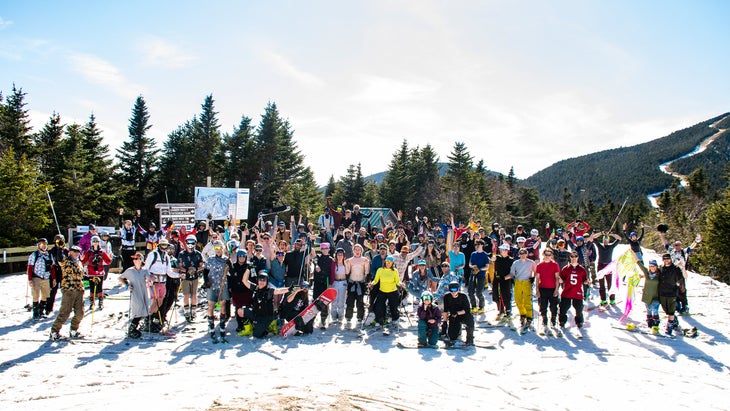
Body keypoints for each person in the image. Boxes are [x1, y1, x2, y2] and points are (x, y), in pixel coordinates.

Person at [659, 231, 701, 315]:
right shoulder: (671, 251)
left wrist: (696, 241)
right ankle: (676, 304)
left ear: (681, 246)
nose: (677, 246)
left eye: (678, 245)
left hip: (681, 272)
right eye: (675, 245)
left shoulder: (684, 251)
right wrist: (662, 235)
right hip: (672, 272)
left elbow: (691, 247)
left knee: (682, 289)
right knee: (674, 289)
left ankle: (685, 306)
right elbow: (665, 244)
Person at [50, 246, 86, 340]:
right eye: (74, 251)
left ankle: (73, 330)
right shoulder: (66, 261)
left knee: (80, 313)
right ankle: (54, 331)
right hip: (68, 290)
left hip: (79, 290)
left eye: (78, 251)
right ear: (70, 252)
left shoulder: (79, 262)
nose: (76, 253)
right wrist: (60, 248)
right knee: (65, 312)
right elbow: (59, 259)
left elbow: (81, 275)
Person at [242, 271, 288, 338]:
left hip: (265, 317)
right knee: (240, 311)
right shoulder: (255, 288)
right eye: (260, 280)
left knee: (256, 335)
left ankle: (268, 326)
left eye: (264, 280)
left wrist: (289, 289)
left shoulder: (269, 291)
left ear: (267, 282)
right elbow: (244, 281)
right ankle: (250, 328)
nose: (262, 282)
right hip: (256, 313)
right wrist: (248, 269)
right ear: (257, 280)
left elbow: (279, 291)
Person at [119, 252, 152, 339]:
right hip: (135, 291)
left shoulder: (144, 270)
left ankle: (137, 326)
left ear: (141, 260)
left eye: (137, 259)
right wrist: (127, 285)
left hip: (143, 290)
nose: (135, 261)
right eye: (134, 259)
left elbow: (148, 278)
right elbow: (121, 278)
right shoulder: (130, 270)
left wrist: (149, 281)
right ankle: (132, 328)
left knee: (144, 308)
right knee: (138, 307)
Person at [558, 252, 589, 334]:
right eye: (572, 256)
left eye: (575, 256)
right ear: (570, 257)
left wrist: (587, 282)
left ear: (578, 257)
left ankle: (579, 322)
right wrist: (559, 279)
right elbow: (562, 279)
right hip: (567, 291)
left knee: (579, 309)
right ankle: (562, 321)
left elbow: (584, 280)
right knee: (563, 308)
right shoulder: (566, 268)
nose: (574, 258)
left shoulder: (581, 269)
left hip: (577, 292)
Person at [204, 240, 230, 339]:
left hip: (222, 285)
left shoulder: (226, 259)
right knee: (211, 305)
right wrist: (206, 281)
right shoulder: (210, 259)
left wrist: (229, 263)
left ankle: (222, 325)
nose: (218, 250)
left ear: (222, 248)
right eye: (216, 248)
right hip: (212, 285)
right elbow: (205, 272)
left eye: (219, 248)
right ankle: (211, 326)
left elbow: (230, 270)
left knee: (222, 305)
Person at [370, 255, 402, 332]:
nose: (388, 263)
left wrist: (401, 284)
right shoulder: (380, 270)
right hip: (382, 290)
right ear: (385, 262)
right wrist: (372, 283)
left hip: (392, 291)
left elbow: (397, 281)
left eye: (390, 262)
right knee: (379, 306)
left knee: (393, 306)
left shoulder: (395, 271)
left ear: (392, 263)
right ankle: (379, 320)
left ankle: (395, 319)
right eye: (387, 262)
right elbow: (376, 280)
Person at [27, 238, 56, 320]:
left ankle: (41, 311)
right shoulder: (34, 255)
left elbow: (52, 268)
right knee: (36, 295)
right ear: (38, 245)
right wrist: (30, 279)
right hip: (36, 277)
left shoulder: (49, 255)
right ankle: (35, 313)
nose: (44, 246)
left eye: (45, 245)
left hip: (46, 278)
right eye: (42, 244)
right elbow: (30, 268)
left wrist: (53, 279)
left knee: (45, 295)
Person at [81, 235, 112, 311]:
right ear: (91, 243)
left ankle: (100, 302)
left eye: (97, 241)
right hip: (91, 272)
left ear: (99, 243)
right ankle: (92, 302)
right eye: (93, 241)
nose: (95, 243)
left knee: (99, 288)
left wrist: (110, 258)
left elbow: (108, 261)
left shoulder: (102, 252)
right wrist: (82, 259)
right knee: (92, 288)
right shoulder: (88, 252)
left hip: (99, 272)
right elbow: (84, 261)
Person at [177, 234, 204, 322]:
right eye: (189, 242)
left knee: (194, 295)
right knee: (186, 294)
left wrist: (195, 269)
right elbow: (179, 265)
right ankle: (186, 310)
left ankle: (194, 311)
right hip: (185, 277)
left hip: (195, 277)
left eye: (192, 242)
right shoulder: (182, 254)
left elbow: (202, 265)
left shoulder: (198, 254)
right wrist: (186, 270)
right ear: (186, 243)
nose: (190, 244)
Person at [510, 248, 536, 331]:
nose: (523, 255)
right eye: (521, 253)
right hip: (518, 281)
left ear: (527, 254)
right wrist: (511, 278)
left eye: (524, 253)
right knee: (518, 300)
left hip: (526, 282)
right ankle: (522, 314)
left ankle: (529, 317)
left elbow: (536, 271)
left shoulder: (531, 262)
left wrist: (533, 278)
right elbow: (512, 272)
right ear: (519, 254)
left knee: (527, 300)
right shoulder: (516, 263)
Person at [535, 248, 561, 333]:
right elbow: (537, 278)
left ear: (552, 256)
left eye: (549, 255)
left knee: (553, 306)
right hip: (543, 288)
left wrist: (557, 289)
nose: (547, 256)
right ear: (543, 255)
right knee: (543, 306)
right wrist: (537, 290)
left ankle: (553, 321)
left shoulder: (555, 264)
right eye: (546, 254)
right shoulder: (539, 265)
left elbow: (557, 277)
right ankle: (544, 321)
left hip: (552, 288)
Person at [442, 281, 475, 346]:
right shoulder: (447, 297)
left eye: (455, 290)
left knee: (470, 320)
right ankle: (457, 332)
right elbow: (445, 310)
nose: (453, 292)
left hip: (463, 314)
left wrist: (457, 313)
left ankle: (470, 338)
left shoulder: (463, 296)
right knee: (452, 337)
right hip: (454, 316)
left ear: (458, 289)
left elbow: (467, 310)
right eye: (451, 290)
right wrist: (444, 323)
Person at [594, 231, 622, 306]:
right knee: (601, 284)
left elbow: (619, 238)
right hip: (600, 266)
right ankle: (603, 300)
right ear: (603, 241)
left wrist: (611, 234)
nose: (605, 241)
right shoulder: (600, 246)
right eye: (604, 240)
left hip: (608, 266)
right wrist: (601, 233)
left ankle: (612, 299)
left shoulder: (611, 246)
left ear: (608, 240)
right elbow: (593, 237)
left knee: (609, 284)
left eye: (606, 240)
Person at [657, 253, 683, 336]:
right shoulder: (660, 268)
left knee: (671, 311)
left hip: (672, 293)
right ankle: (674, 320)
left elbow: (680, 278)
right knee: (666, 311)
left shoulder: (676, 269)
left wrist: (680, 285)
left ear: (671, 259)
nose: (666, 260)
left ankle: (669, 328)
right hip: (662, 292)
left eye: (668, 258)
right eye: (664, 258)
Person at [345, 243, 370, 325]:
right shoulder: (350, 260)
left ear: (361, 251)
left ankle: (360, 317)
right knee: (350, 301)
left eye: (359, 249)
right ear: (353, 250)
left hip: (361, 282)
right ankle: (348, 317)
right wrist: (346, 264)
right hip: (352, 282)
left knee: (360, 302)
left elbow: (366, 272)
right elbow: (347, 272)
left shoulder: (364, 259)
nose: (357, 251)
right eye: (356, 249)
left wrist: (367, 264)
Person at [312, 242, 334, 329]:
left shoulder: (331, 260)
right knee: (315, 300)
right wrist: (316, 265)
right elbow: (313, 257)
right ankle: (312, 319)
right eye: (323, 249)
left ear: (329, 249)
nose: (324, 250)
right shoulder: (318, 258)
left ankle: (323, 319)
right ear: (321, 250)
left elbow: (332, 273)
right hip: (317, 283)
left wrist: (331, 284)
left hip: (326, 283)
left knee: (325, 302)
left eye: (326, 248)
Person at [637, 259, 661, 334]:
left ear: (656, 266)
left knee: (655, 309)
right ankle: (649, 323)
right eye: (651, 266)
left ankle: (656, 325)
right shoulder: (647, 273)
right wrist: (632, 253)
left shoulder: (659, 274)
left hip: (656, 296)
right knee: (648, 309)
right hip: (647, 295)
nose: (652, 267)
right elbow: (640, 264)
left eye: (654, 266)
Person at [46, 234, 68, 316]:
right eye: (57, 241)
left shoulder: (66, 251)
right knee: (52, 290)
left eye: (61, 241)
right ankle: (48, 308)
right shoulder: (51, 251)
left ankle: (66, 307)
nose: (59, 243)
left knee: (66, 291)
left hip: (64, 272)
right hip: (54, 272)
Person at [492, 243, 514, 321]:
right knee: (497, 295)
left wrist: (504, 278)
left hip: (505, 280)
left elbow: (512, 273)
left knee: (506, 295)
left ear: (507, 251)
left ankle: (508, 312)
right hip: (497, 279)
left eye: (503, 250)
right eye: (500, 250)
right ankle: (500, 311)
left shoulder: (511, 260)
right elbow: (493, 257)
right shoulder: (498, 258)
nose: (501, 251)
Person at [468, 240, 490, 314]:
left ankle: (481, 307)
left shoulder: (485, 255)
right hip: (473, 274)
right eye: (476, 244)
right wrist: (473, 267)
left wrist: (480, 269)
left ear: (482, 245)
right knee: (470, 291)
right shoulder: (473, 254)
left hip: (481, 275)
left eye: (479, 244)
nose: (477, 246)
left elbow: (487, 266)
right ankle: (473, 306)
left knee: (478, 292)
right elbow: (470, 264)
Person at [330, 248, 348, 325]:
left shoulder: (346, 263)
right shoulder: (333, 263)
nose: (340, 256)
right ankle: (333, 317)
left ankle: (340, 317)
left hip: (343, 282)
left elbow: (348, 272)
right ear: (336, 255)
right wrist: (330, 284)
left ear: (344, 255)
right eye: (338, 255)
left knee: (341, 300)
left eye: (341, 255)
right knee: (334, 300)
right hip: (335, 282)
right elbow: (330, 273)